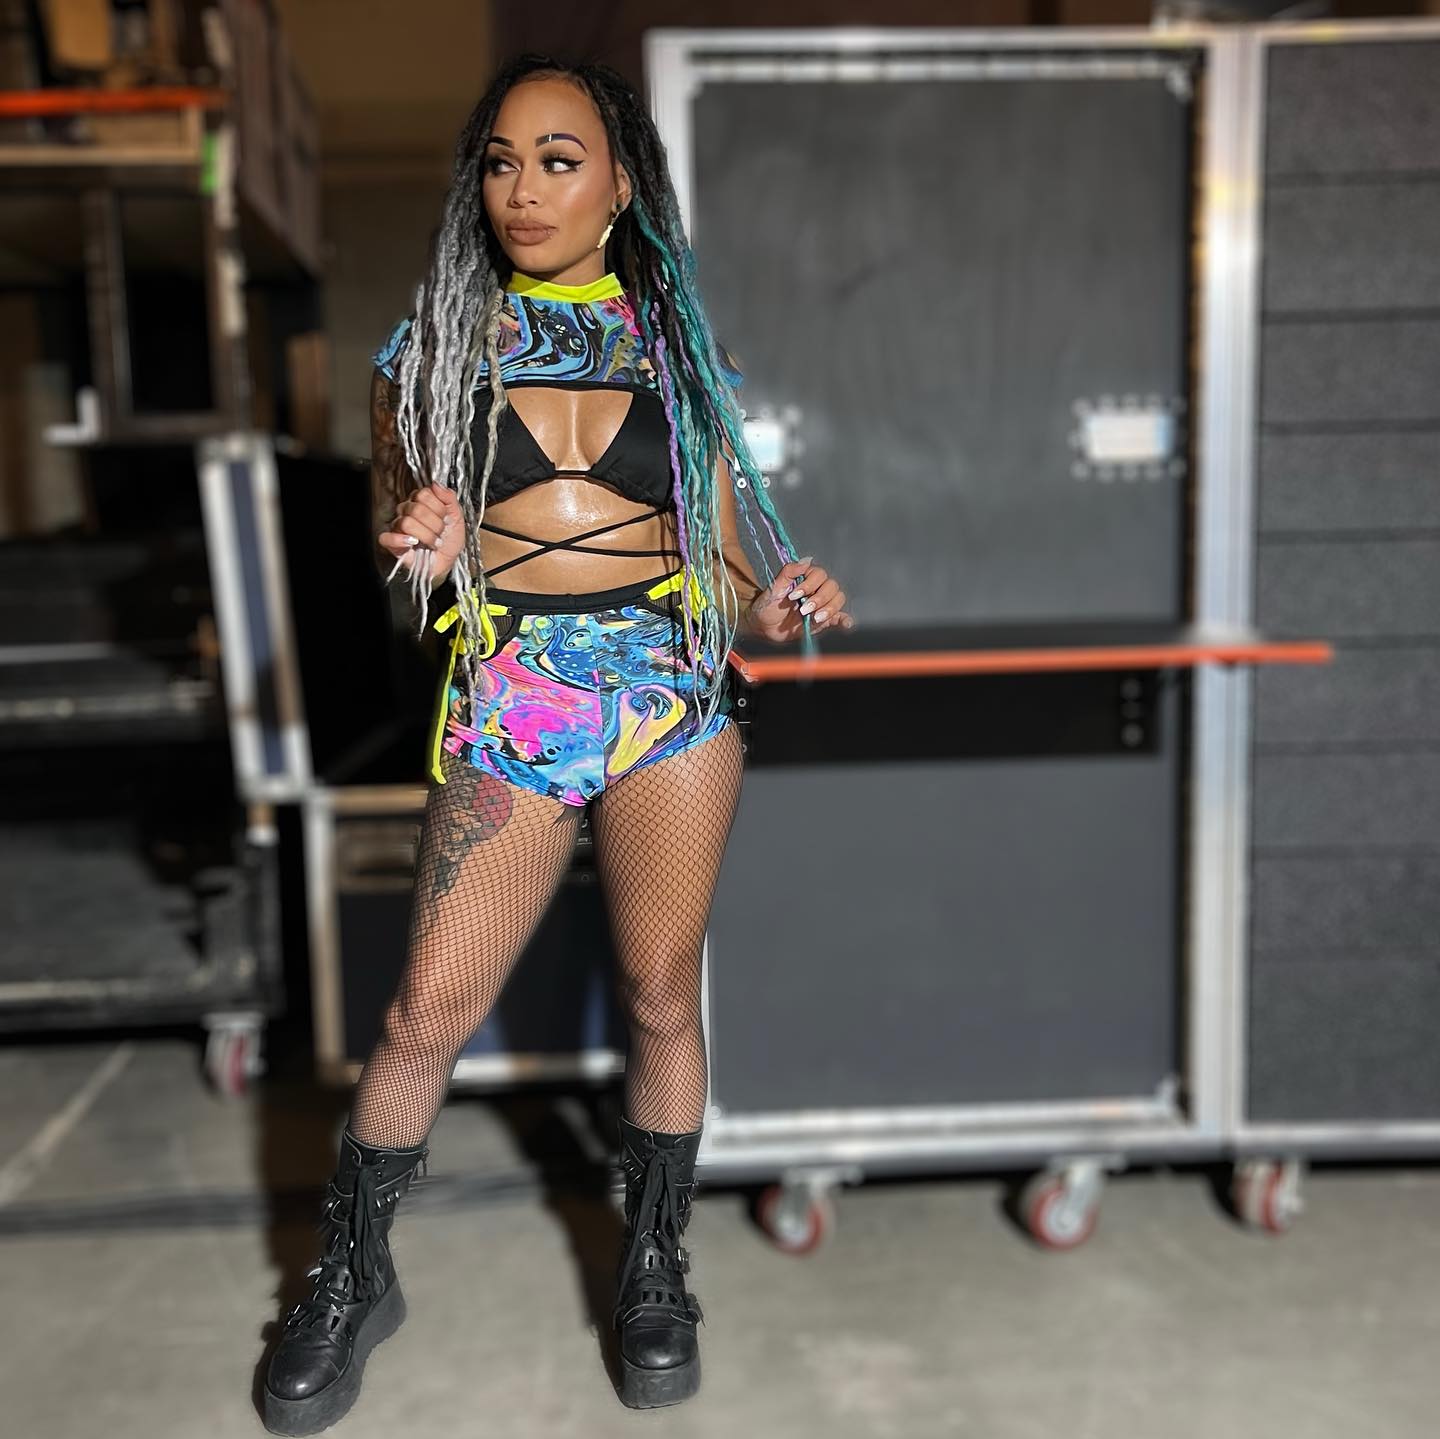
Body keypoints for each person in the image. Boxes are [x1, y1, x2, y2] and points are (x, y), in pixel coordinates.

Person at [262, 52, 853, 1434]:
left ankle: (655, 1266)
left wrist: (775, 603)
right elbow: (404, 536)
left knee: (661, 997)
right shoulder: (430, 352)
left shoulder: (681, 353)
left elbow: (721, 562)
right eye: (502, 162)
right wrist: (424, 536)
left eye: (559, 159)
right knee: (421, 1014)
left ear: (621, 184)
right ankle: (351, 1276)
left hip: (670, 703)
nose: (524, 188)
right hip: (515, 702)